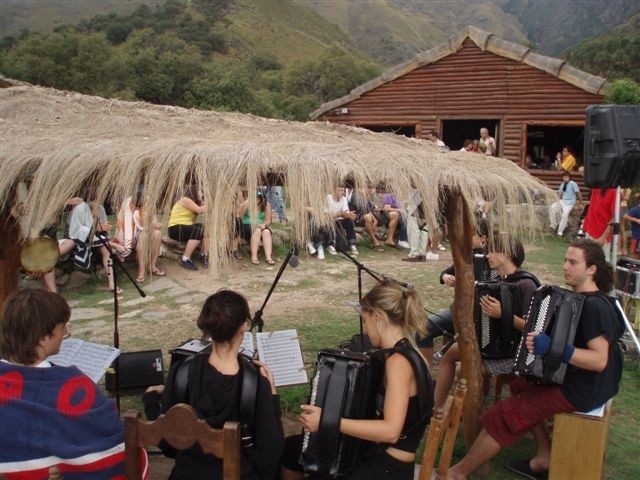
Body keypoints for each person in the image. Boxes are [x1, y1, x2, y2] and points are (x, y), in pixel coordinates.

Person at [447, 239, 624, 480]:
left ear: (592, 269)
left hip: (583, 389)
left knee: (502, 416)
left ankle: (457, 473)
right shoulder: (596, 299)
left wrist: (553, 348)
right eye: (565, 260)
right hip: (593, 383)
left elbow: (598, 360)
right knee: (520, 385)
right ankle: (544, 456)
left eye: (573, 262)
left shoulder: (594, 307)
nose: (565, 266)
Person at [281, 281, 434, 480]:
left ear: (378, 317)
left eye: (366, 321)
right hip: (381, 456)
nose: (365, 329)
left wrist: (328, 421)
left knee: (318, 471)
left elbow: (391, 432)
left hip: (388, 468)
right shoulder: (406, 353)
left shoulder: (398, 363)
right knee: (293, 448)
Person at [143, 290, 284, 480]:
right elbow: (271, 454)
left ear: (209, 328)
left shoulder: (181, 372)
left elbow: (168, 443)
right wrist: (272, 396)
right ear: (244, 326)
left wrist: (152, 401)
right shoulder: (257, 383)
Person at [0, 290, 126, 479]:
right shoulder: (75, 385)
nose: (66, 333)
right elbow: (112, 442)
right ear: (42, 338)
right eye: (63, 327)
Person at [433, 234, 538, 409]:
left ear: (508, 254)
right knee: (449, 355)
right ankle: (436, 407)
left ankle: (470, 413)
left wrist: (504, 315)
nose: (487, 255)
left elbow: (533, 329)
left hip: (516, 352)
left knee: (463, 369)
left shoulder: (526, 285)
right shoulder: (495, 281)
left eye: (493, 251)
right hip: (489, 343)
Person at [417, 219, 492, 365]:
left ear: (483, 238)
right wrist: (445, 277)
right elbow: (447, 272)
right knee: (422, 328)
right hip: (460, 311)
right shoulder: (467, 255)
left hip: (481, 316)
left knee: (424, 328)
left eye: (470, 236)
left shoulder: (492, 259)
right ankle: (425, 373)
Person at [168, 185, 207, 270]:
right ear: (195, 192)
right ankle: (185, 258)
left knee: (203, 228)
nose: (202, 194)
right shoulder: (185, 199)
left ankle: (204, 254)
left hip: (185, 229)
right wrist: (211, 203)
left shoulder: (194, 204)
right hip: (175, 228)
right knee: (199, 229)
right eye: (201, 191)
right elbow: (200, 210)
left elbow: (193, 223)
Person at [235, 191, 276, 265]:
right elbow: (239, 217)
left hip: (260, 226)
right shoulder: (247, 203)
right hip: (247, 225)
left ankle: (268, 257)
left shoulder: (266, 205)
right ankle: (254, 256)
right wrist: (245, 205)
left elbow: (268, 220)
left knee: (266, 232)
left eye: (258, 199)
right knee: (257, 230)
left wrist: (264, 224)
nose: (256, 200)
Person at [133, 192, 165, 282]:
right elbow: (140, 227)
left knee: (157, 233)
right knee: (143, 236)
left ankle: (153, 266)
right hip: (140, 234)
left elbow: (153, 225)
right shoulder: (137, 213)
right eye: (147, 201)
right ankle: (141, 271)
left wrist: (155, 226)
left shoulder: (151, 212)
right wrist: (152, 226)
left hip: (150, 233)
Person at [583, 187, 616, 260]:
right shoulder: (595, 188)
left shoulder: (614, 192)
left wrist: (603, 237)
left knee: (603, 264)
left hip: (602, 235)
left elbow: (615, 218)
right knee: (588, 261)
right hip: (590, 231)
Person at [548, 170, 583, 237]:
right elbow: (560, 195)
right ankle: (554, 225)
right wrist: (557, 200)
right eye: (564, 177)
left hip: (570, 203)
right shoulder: (562, 185)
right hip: (562, 201)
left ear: (569, 177)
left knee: (565, 214)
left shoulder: (573, 183)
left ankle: (560, 232)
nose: (565, 178)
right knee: (553, 207)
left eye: (566, 177)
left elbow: (578, 193)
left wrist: (580, 203)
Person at [623, 193, 640, 260]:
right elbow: (625, 216)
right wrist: (636, 220)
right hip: (636, 237)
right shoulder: (635, 209)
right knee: (633, 256)